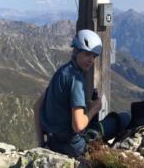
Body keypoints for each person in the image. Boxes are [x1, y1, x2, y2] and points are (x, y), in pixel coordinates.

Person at [34, 29, 130, 158]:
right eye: (87, 54)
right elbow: (78, 126)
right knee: (124, 118)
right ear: (76, 51)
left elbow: (37, 106)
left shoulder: (61, 72)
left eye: (94, 56)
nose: (90, 60)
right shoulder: (76, 79)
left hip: (53, 141)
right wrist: (95, 108)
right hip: (72, 145)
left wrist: (42, 144)